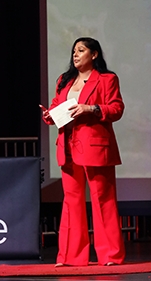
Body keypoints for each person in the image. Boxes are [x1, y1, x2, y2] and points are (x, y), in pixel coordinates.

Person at [40, 37, 125, 267]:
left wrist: (92, 108)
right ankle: (71, 257)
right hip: (68, 147)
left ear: (94, 54)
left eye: (81, 50)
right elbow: (58, 108)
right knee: (71, 202)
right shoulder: (64, 80)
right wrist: (49, 115)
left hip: (96, 147)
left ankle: (110, 256)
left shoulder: (107, 79)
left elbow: (117, 109)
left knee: (102, 201)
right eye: (74, 51)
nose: (75, 55)